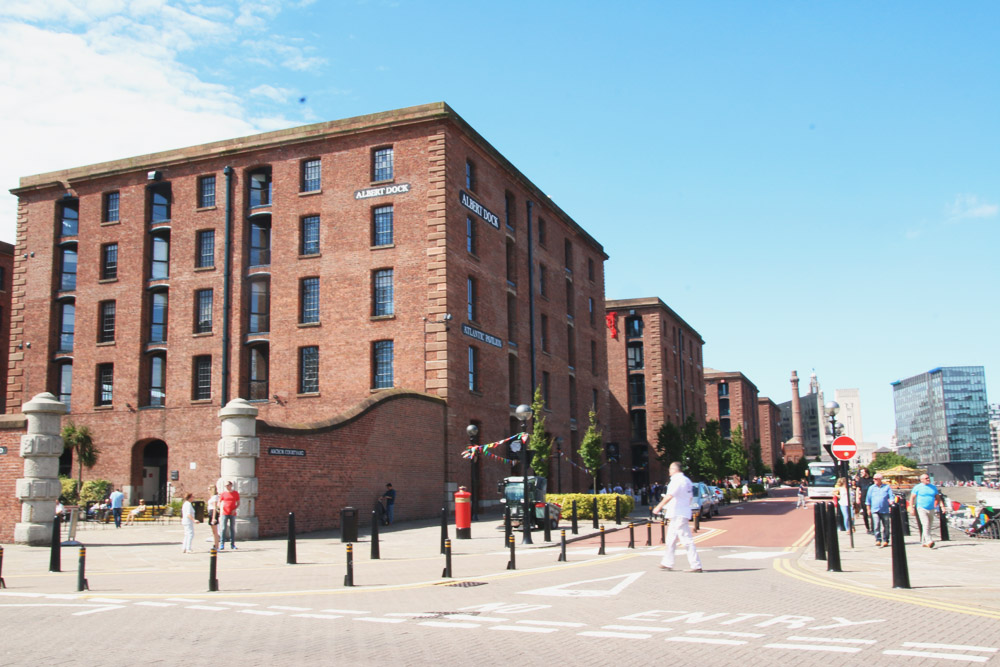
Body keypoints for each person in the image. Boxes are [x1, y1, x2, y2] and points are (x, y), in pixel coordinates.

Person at [651, 461, 703, 573]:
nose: (669, 472)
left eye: (670, 469)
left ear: (674, 469)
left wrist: (659, 507)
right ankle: (667, 562)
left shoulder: (676, 481)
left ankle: (696, 565)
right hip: (681, 512)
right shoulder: (687, 481)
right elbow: (689, 497)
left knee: (686, 539)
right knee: (671, 539)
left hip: (678, 513)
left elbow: (670, 495)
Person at [909, 473, 941, 548]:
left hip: (931, 508)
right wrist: (911, 508)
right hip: (921, 508)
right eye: (926, 478)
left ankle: (924, 541)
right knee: (925, 524)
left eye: (928, 478)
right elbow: (912, 498)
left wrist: (936, 505)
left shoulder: (933, 487)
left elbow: (937, 497)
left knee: (929, 525)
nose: (928, 479)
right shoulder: (917, 487)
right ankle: (929, 541)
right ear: (921, 480)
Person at [866, 472, 894, 547]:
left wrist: (891, 502)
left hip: (884, 509)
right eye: (874, 479)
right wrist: (868, 509)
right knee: (876, 525)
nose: (874, 480)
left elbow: (891, 496)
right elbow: (868, 500)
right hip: (875, 509)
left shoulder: (887, 487)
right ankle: (878, 539)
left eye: (876, 479)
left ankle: (886, 540)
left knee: (886, 525)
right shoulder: (871, 488)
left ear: (880, 479)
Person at [219, 481, 240, 550]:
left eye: (228, 485)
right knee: (223, 528)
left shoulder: (235, 493)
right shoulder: (223, 494)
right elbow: (219, 502)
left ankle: (232, 544)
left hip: (232, 513)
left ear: (231, 485)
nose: (227, 487)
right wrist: (220, 508)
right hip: (225, 513)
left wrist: (235, 509)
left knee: (232, 528)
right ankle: (222, 544)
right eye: (226, 486)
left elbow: (238, 503)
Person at [856, 468, 874, 534]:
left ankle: (873, 528)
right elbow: (858, 489)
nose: (861, 473)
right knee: (865, 514)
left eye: (862, 472)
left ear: (866, 472)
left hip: (871, 499)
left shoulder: (871, 480)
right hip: (863, 498)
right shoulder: (860, 480)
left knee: (872, 513)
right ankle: (868, 528)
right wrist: (857, 498)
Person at [206, 485, 220, 550]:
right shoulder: (212, 497)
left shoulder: (215, 497)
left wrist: (214, 518)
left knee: (215, 532)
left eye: (209, 489)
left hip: (213, 513)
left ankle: (217, 546)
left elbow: (215, 508)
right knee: (213, 532)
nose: (208, 491)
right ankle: (215, 544)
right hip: (210, 512)